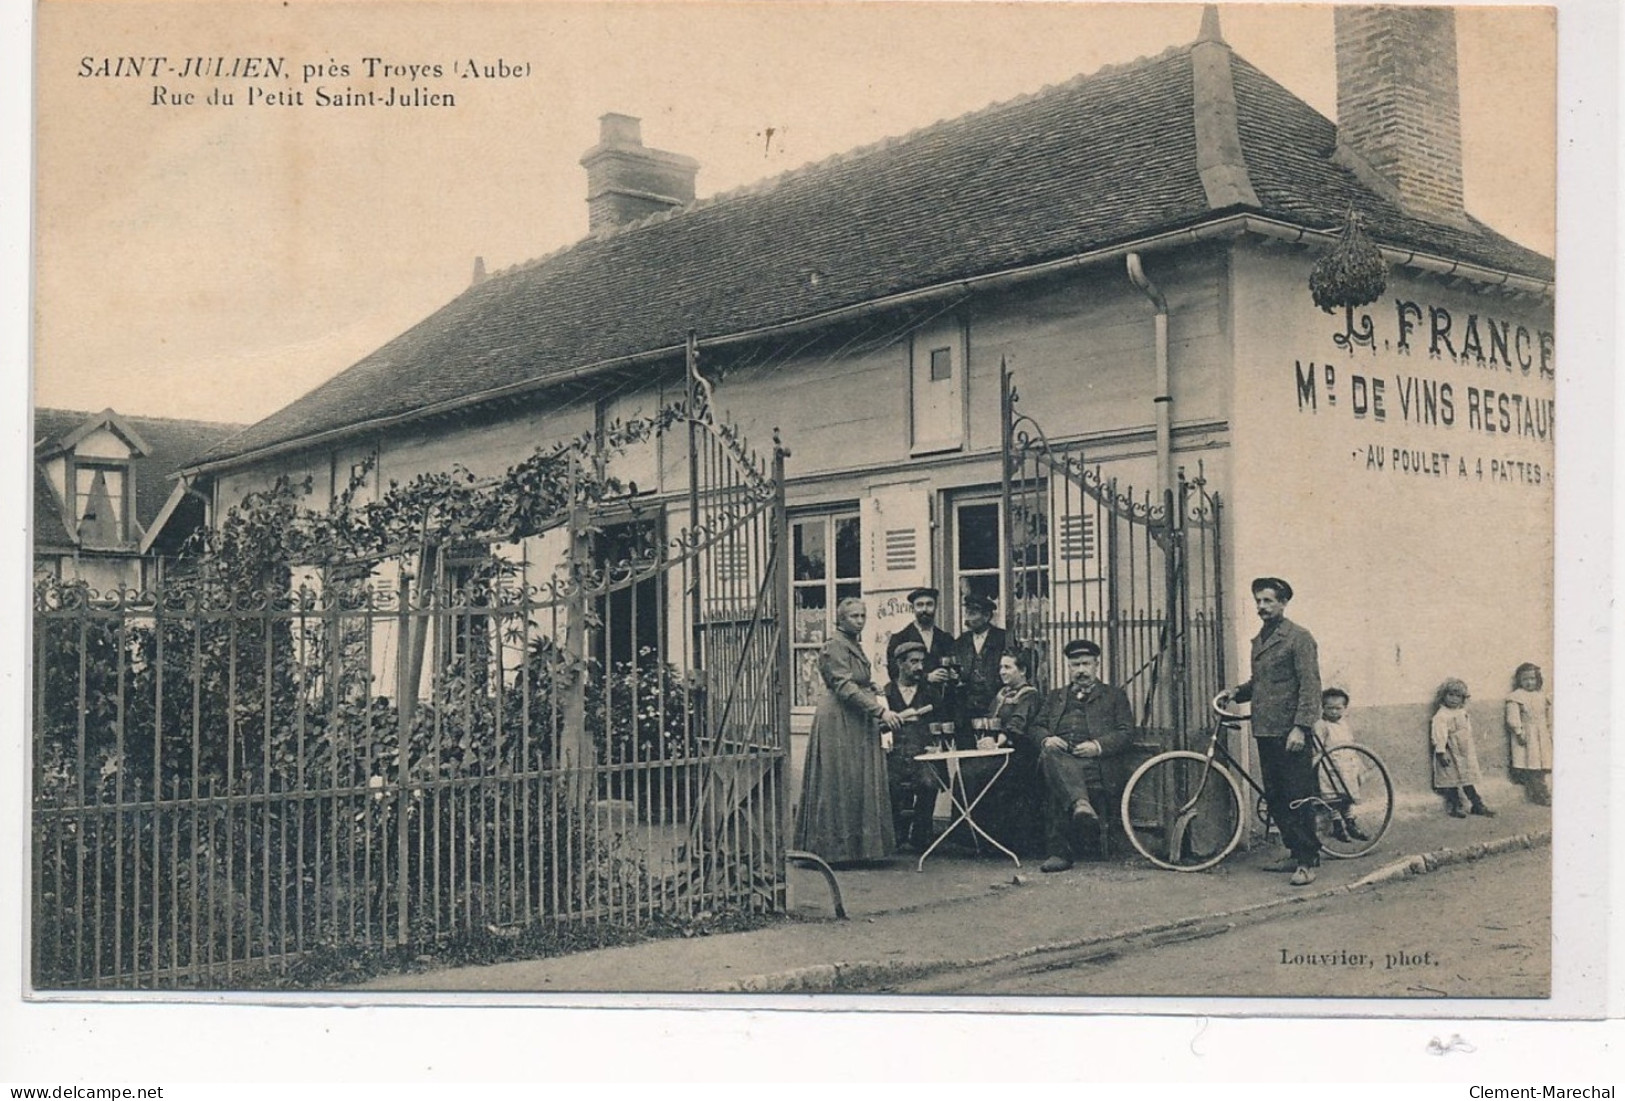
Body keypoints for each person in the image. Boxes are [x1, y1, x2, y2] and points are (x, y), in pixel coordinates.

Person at [1223, 576, 1323, 887]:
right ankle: (1294, 851)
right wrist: (1236, 693)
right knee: (1275, 794)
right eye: (1258, 601)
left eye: (1267, 601)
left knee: (1296, 796)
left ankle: (1308, 860)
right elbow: (1261, 683)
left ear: (1283, 603)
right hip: (1265, 729)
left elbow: (1310, 685)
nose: (1261, 607)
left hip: (1290, 730)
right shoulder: (1261, 639)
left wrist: (1301, 728)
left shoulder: (1298, 638)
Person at [794, 597, 903, 863]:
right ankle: (834, 851)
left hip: (855, 717)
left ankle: (857, 850)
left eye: (863, 615)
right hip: (839, 719)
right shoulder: (834, 646)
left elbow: (855, 680)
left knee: (856, 779)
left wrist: (872, 687)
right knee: (840, 779)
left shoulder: (852, 643)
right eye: (854, 616)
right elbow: (843, 686)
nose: (860, 621)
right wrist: (880, 711)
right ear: (841, 619)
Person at [1030, 638, 1134, 872]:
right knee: (1051, 756)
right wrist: (1047, 738)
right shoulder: (1056, 696)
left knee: (1055, 772)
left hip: (1095, 764)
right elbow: (1036, 726)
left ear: (1097, 665)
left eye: (1086, 664)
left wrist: (1097, 745)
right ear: (1068, 667)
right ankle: (1081, 804)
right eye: (1075, 665)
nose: (1081, 670)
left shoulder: (1114, 696)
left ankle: (1060, 853)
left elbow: (1126, 732)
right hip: (1060, 757)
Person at [980, 649, 1045, 855]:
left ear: (1023, 670)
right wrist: (987, 738)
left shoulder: (1030, 695)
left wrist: (1001, 739)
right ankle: (979, 839)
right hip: (999, 750)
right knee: (968, 772)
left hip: (1020, 754)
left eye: (1007, 667)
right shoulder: (1002, 694)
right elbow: (990, 719)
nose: (1002, 672)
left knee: (983, 775)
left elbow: (1019, 721)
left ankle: (1004, 842)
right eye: (1001, 667)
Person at [883, 641, 946, 852]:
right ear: (900, 664)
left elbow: (941, 725)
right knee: (890, 784)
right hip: (895, 755)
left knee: (929, 783)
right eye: (913, 662)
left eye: (922, 662)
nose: (919, 667)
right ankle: (897, 834)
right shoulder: (887, 693)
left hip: (924, 754)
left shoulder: (931, 693)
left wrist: (936, 746)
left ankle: (922, 834)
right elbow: (879, 727)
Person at [1430, 677, 1495, 819]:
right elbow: (1439, 735)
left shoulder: (1462, 712)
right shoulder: (1441, 716)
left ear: (1463, 698)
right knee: (1452, 780)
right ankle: (1455, 806)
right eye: (1450, 695)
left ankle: (1477, 804)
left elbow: (1466, 729)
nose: (1454, 699)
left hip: (1464, 751)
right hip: (1450, 751)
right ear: (1443, 696)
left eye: (1458, 696)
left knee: (1467, 778)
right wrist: (1441, 751)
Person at [1313, 687, 1368, 843]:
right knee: (1333, 798)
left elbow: (1350, 743)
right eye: (1330, 708)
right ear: (1323, 707)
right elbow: (1318, 747)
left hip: (1347, 766)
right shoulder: (1321, 725)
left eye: (1338, 708)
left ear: (1345, 708)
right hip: (1330, 766)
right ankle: (1338, 826)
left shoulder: (1344, 724)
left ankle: (1351, 824)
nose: (1334, 712)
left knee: (1347, 796)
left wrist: (1358, 763)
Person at [950, 593, 1007, 734]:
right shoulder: (960, 642)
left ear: (987, 616)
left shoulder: (1003, 638)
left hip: (995, 702)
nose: (967, 618)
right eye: (967, 613)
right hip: (966, 706)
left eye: (973, 613)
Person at [1505, 662, 1553, 806]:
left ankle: (1541, 790)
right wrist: (1519, 731)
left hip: (1541, 733)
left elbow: (1547, 715)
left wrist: (1550, 732)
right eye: (1525, 679)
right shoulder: (1516, 697)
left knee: (1541, 763)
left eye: (1532, 679)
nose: (1529, 682)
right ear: (1519, 680)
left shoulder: (1542, 696)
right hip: (1527, 733)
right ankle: (1540, 793)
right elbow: (1512, 717)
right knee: (1531, 763)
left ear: (1538, 680)